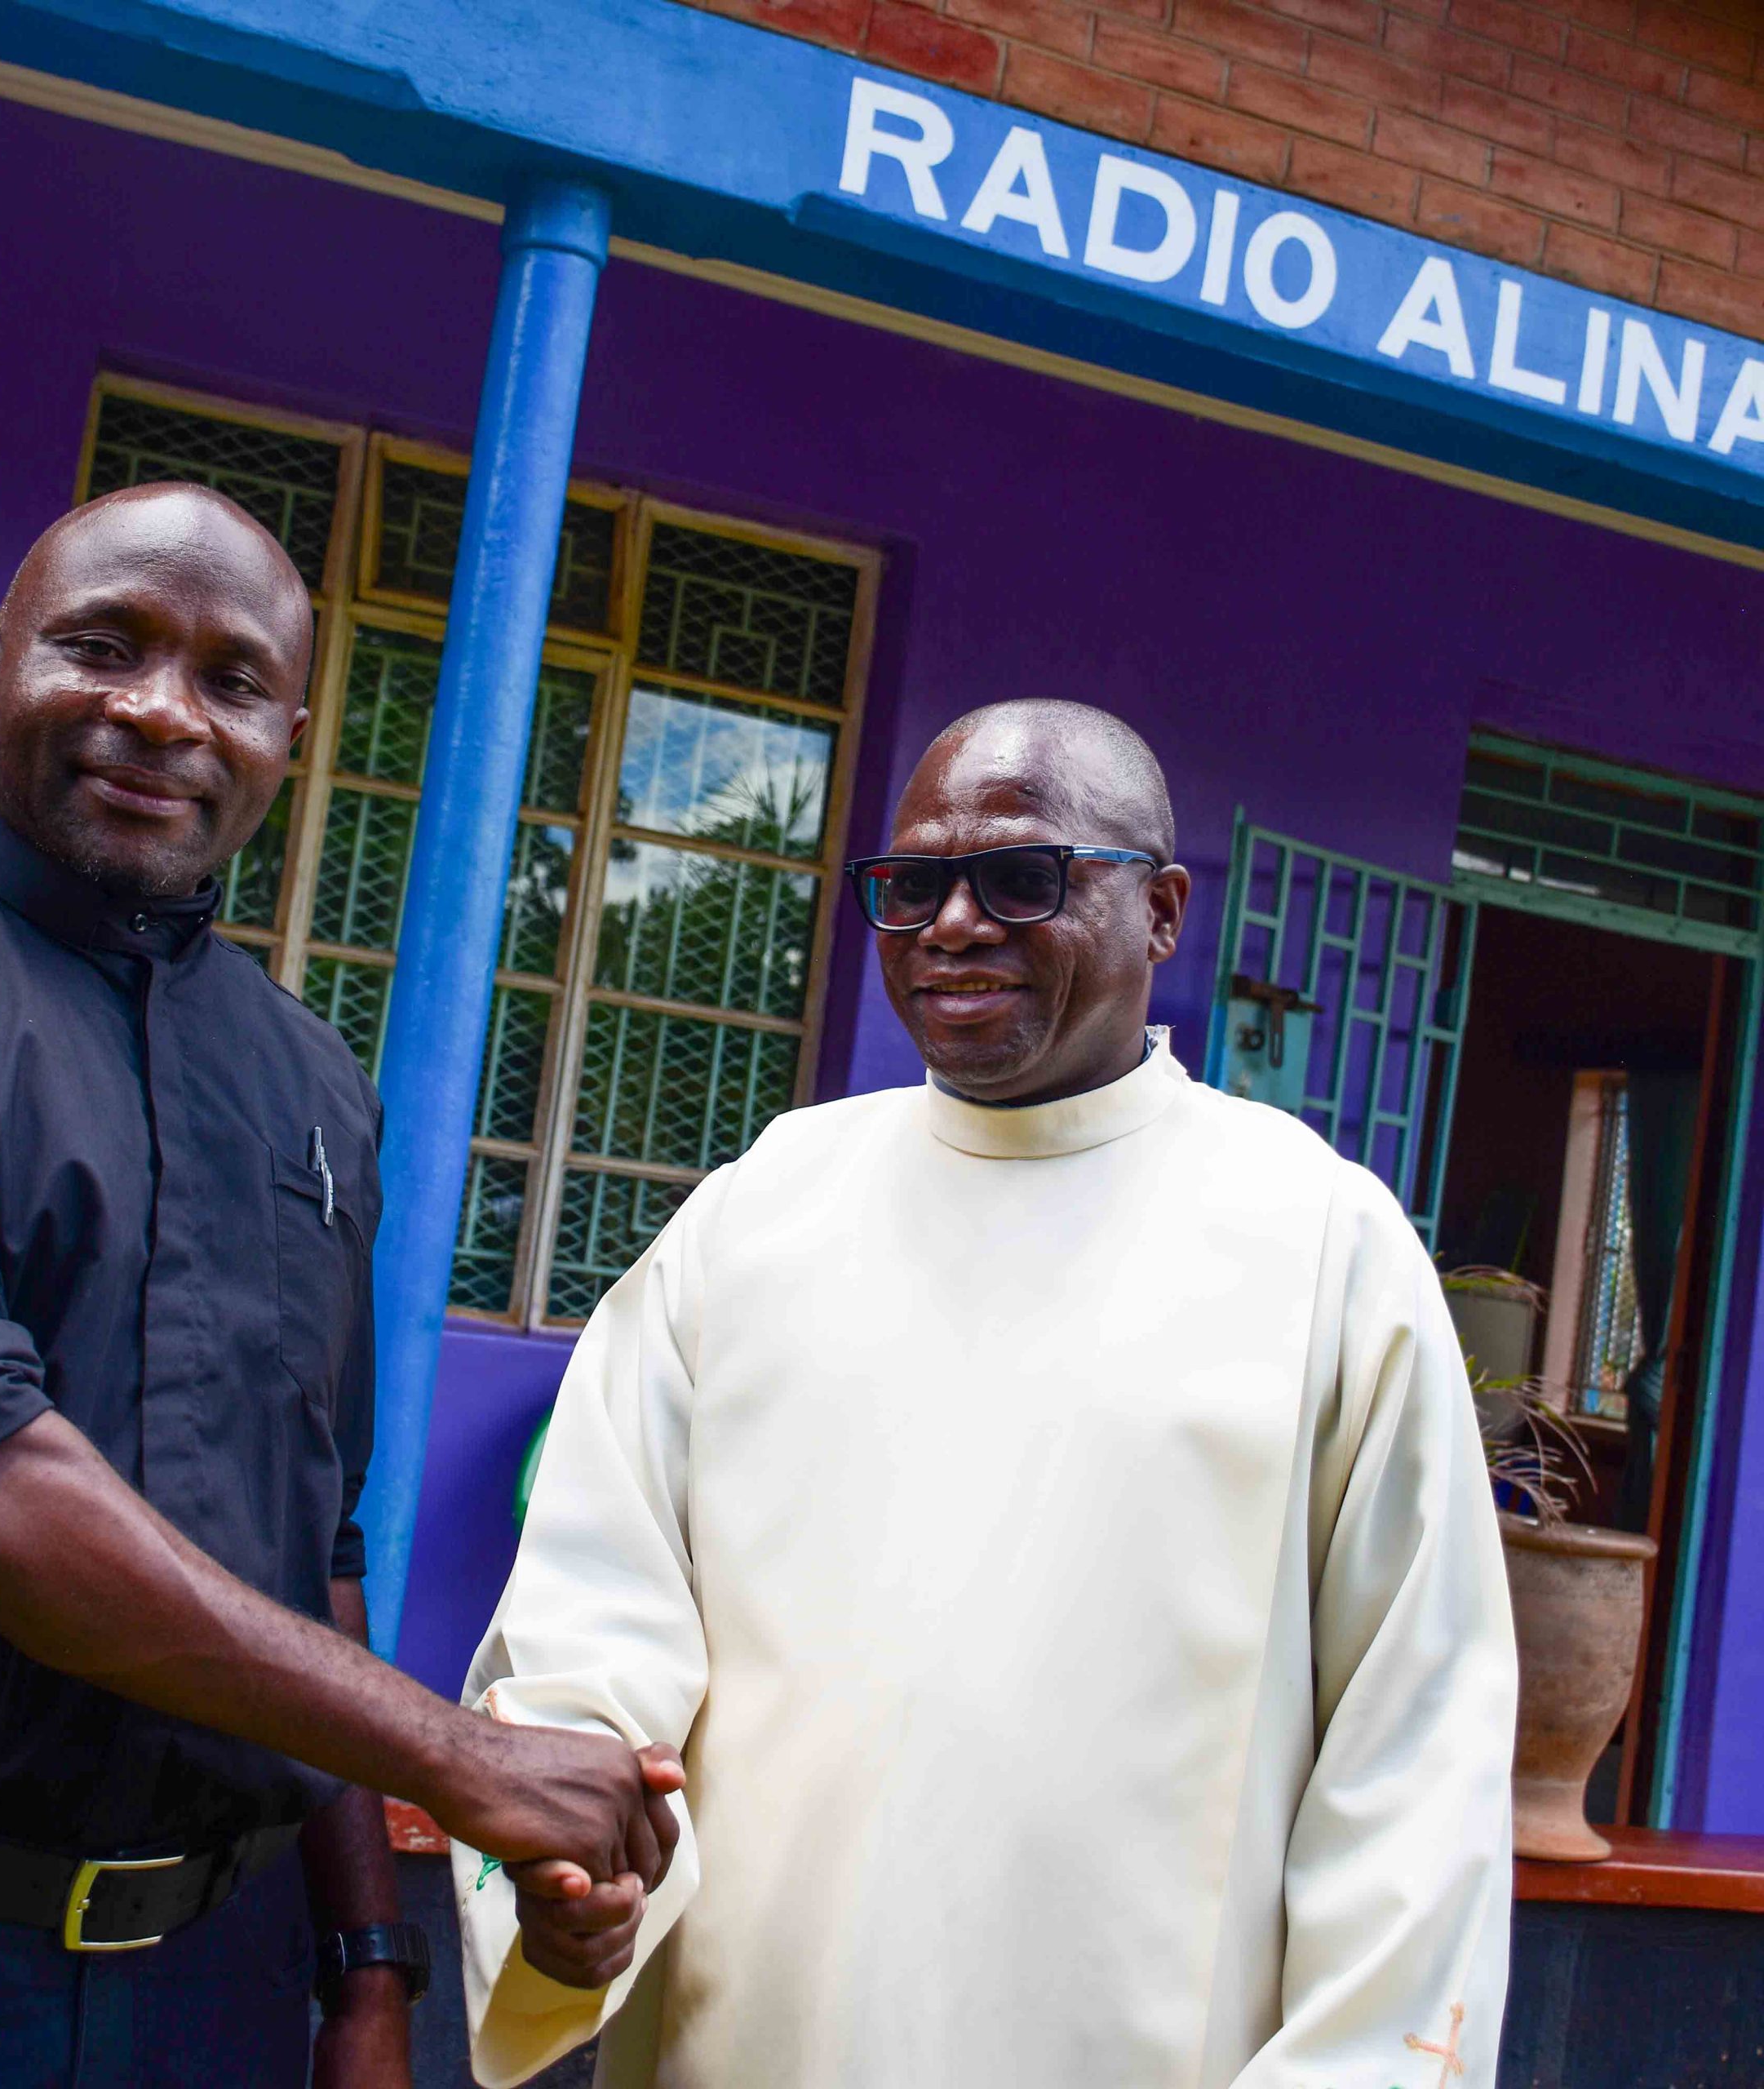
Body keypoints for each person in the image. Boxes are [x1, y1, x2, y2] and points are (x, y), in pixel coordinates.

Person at [0, 483, 677, 2087]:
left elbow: (313, 1546)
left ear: (289, 729)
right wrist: (461, 1754)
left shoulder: (308, 1082)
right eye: (104, 646)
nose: (158, 711)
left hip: (208, 1985)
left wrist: (365, 1974)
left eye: (226, 677)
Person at [453, 700, 1518, 2087]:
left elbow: (1415, 1752)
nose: (953, 924)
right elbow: (598, 1600)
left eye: (1023, 877)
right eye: (912, 889)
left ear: (1164, 913)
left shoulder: (1322, 1244)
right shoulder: (757, 1212)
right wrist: (577, 1857)